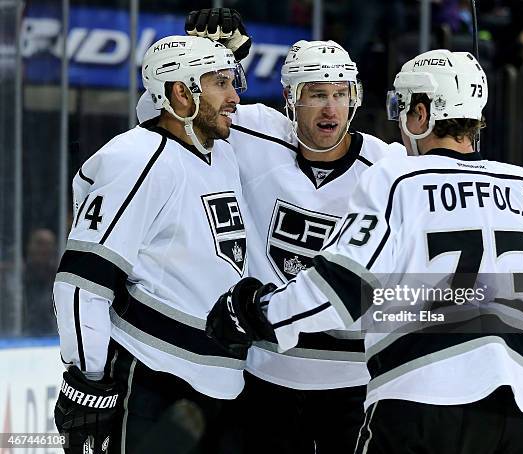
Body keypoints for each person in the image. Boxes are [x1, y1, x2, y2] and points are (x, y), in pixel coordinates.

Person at [207, 48, 523, 453]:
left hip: (420, 398)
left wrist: (257, 313)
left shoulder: (397, 178)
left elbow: (342, 283)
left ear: (422, 113)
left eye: (402, 108)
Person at [136, 9, 400, 453]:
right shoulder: (250, 130)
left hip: (355, 381)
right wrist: (212, 58)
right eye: (316, 94)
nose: (331, 107)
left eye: (341, 94)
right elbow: (159, 116)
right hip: (263, 373)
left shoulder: (387, 168)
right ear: (290, 99)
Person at [53, 35, 249, 453]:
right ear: (182, 92)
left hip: (221, 390)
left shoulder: (221, 155)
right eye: (220, 83)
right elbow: (81, 283)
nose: (235, 97)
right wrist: (89, 381)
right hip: (151, 381)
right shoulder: (136, 159)